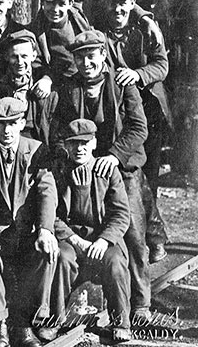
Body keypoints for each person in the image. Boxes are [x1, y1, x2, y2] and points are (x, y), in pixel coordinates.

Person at [50, 30, 151, 322]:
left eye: (91, 55)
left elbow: (138, 128)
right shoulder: (69, 88)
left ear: (103, 56)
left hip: (121, 167)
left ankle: (140, 302)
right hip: (84, 165)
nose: (86, 62)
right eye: (79, 57)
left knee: (131, 232)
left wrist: (113, 156)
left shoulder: (122, 85)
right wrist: (76, 158)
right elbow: (58, 132)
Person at [0, 97, 58, 347]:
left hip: (28, 232)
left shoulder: (37, 151)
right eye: (0, 125)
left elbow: (46, 191)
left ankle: (27, 322)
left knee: (47, 249)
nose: (6, 131)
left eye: (12, 123)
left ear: (22, 123)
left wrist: (45, 230)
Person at [97, 0, 170, 263]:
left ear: (132, 4)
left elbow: (162, 65)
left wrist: (138, 74)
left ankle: (153, 238)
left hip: (148, 112)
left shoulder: (145, 32)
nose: (117, 11)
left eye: (124, 5)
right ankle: (126, 236)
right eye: (112, 4)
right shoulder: (97, 29)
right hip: (118, 112)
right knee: (124, 174)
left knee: (146, 178)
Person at [47, 119, 131, 342]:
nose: (80, 148)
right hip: (70, 237)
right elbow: (50, 213)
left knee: (115, 263)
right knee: (61, 258)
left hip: (101, 237)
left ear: (94, 143)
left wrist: (104, 241)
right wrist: (73, 239)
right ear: (66, 145)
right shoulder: (59, 172)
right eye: (73, 143)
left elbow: (121, 214)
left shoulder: (107, 171)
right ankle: (55, 320)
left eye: (85, 143)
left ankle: (121, 322)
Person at [0, 29, 59, 144]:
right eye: (14, 56)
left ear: (33, 56)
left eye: (24, 56)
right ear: (6, 57)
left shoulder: (43, 86)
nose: (19, 62)